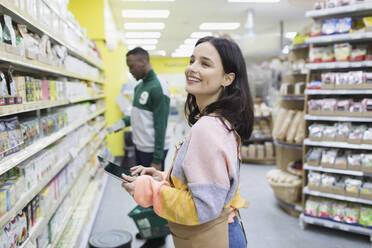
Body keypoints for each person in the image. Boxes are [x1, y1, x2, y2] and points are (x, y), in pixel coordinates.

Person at [121, 36, 253, 248]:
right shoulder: (219, 121)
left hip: (216, 238)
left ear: (227, 79)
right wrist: (165, 178)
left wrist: (150, 190)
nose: (192, 68)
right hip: (226, 231)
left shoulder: (207, 128)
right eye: (192, 61)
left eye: (205, 63)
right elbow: (212, 185)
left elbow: (203, 206)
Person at [107, 47, 170, 247]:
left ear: (144, 61)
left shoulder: (158, 87)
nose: (130, 70)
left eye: (131, 66)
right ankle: (149, 229)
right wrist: (119, 124)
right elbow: (136, 116)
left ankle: (158, 236)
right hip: (141, 147)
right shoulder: (139, 86)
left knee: (156, 194)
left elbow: (161, 127)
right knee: (145, 191)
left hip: (155, 150)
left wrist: (157, 160)